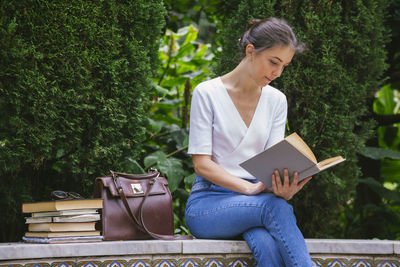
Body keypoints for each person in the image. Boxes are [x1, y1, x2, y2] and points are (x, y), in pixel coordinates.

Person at [185, 17, 313, 266]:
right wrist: (249, 189)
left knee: (265, 243)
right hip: (208, 204)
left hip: (255, 204)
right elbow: (201, 164)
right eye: (273, 62)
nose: (277, 72)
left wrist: (280, 188)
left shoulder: (276, 100)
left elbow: (271, 163)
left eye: (284, 66)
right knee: (276, 209)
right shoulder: (207, 93)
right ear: (251, 51)